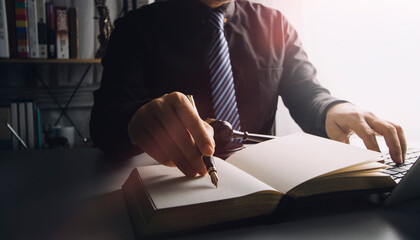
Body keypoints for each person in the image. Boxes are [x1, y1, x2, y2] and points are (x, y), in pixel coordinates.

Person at [90, 0, 406, 177]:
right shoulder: (135, 28)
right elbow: (105, 121)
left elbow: (308, 91)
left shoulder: (275, 24)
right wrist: (138, 120)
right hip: (174, 185)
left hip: (268, 187)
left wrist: (335, 109)